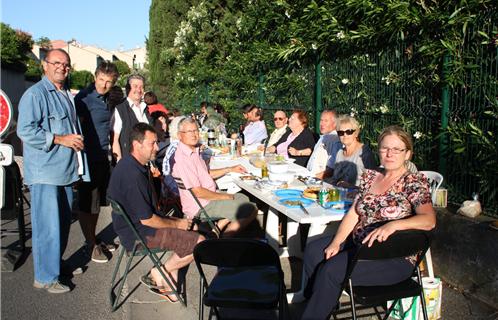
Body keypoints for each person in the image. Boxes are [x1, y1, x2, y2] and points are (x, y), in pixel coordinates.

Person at [301, 125, 436, 319]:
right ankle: (322, 304)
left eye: (397, 149)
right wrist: (337, 242)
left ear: (407, 154)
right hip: (360, 244)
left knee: (331, 270)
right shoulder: (371, 176)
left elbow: (429, 220)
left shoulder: (413, 182)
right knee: (315, 251)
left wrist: (393, 225)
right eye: (384, 148)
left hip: (393, 256)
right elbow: (354, 213)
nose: (389, 153)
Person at [107, 123, 204, 302]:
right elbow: (148, 220)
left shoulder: (133, 165)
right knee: (199, 243)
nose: (157, 147)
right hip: (137, 233)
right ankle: (159, 273)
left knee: (196, 226)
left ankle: (167, 282)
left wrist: (156, 180)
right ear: (137, 145)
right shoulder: (132, 174)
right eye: (153, 143)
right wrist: (179, 224)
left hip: (136, 226)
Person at [17, 49, 87, 293]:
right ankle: (45, 277)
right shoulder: (34, 95)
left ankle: (55, 264)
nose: (62, 68)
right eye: (56, 63)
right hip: (45, 172)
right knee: (48, 227)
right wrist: (60, 139)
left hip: (65, 171)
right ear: (44, 66)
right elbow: (25, 131)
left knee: (63, 223)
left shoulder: (65, 93)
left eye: (66, 64)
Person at [171, 118, 258, 237]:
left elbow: (206, 174)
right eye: (189, 132)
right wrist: (226, 196)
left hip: (208, 198)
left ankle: (218, 228)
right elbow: (198, 192)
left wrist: (230, 169)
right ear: (179, 135)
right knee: (251, 209)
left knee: (243, 198)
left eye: (195, 130)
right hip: (201, 207)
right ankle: (223, 241)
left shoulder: (193, 151)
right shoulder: (184, 158)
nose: (194, 134)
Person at [74, 61, 120, 263]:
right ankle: (90, 244)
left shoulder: (108, 98)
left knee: (98, 204)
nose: (104, 84)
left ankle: (93, 237)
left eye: (109, 82)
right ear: (95, 77)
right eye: (101, 80)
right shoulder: (84, 98)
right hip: (89, 159)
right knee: (88, 204)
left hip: (104, 157)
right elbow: (76, 128)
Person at [327, 115, 377, 187]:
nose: (345, 135)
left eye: (349, 131)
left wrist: (350, 186)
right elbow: (335, 179)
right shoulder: (339, 153)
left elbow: (373, 183)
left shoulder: (364, 153)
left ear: (356, 133)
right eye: (341, 132)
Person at [111, 74, 151, 162]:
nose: (139, 90)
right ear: (129, 88)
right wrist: (120, 166)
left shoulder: (146, 109)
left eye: (141, 87)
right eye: (135, 86)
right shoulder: (120, 109)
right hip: (129, 163)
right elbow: (115, 140)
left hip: (145, 163)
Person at [305, 110, 342, 179]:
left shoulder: (335, 141)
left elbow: (331, 169)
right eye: (321, 120)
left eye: (326, 121)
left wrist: (311, 179)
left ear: (334, 124)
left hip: (320, 182)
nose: (322, 124)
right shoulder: (323, 137)